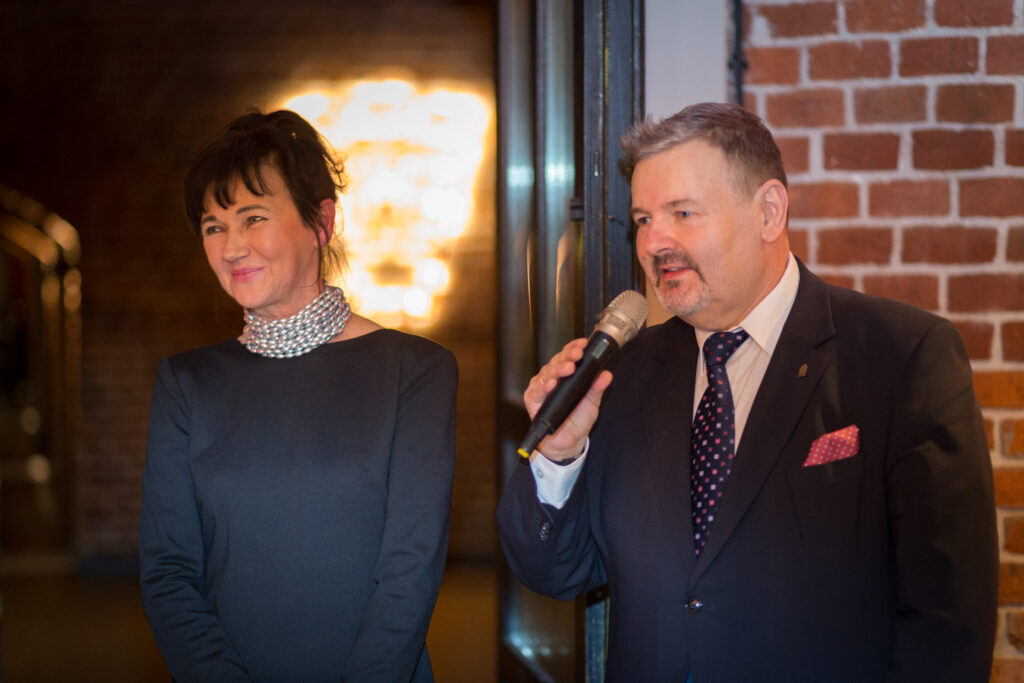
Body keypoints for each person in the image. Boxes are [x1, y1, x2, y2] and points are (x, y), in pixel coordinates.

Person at [497, 102, 997, 682]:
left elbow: (947, 623)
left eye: (682, 212)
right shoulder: (624, 374)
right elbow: (557, 572)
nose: (655, 241)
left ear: (769, 212)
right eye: (643, 219)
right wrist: (559, 456)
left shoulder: (901, 356)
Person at [139, 110, 457, 682]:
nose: (231, 248)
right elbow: (168, 573)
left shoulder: (415, 371)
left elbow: (410, 572)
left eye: (253, 218)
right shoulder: (187, 383)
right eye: (213, 227)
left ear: (321, 222)